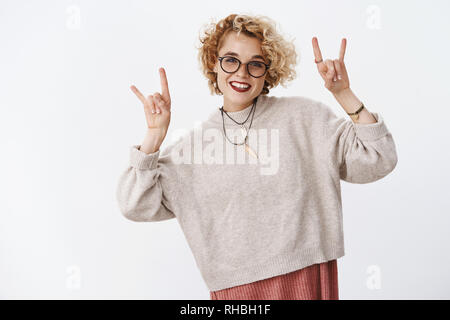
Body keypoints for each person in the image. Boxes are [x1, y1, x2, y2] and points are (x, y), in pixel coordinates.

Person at [116, 13, 398, 300]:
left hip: (307, 276)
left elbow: (378, 157)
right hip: (236, 291)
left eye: (255, 64)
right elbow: (134, 205)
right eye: (231, 60)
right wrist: (154, 135)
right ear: (214, 61)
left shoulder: (304, 118)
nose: (241, 73)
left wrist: (343, 93)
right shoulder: (191, 149)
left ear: (268, 71)